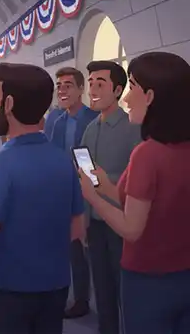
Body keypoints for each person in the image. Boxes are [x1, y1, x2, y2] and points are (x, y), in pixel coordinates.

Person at [0, 63, 86, 334]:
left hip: (6, 289)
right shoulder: (63, 162)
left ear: (8, 103)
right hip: (55, 286)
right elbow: (77, 229)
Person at [78, 52, 190, 333]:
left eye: (132, 88)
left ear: (150, 96)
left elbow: (132, 228)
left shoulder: (146, 153)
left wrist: (91, 197)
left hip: (148, 273)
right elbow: (148, 202)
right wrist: (105, 187)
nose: (127, 99)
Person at [75, 61, 142, 333]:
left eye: (99, 83)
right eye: (91, 82)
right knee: (101, 290)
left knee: (126, 292)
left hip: (122, 223)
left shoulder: (133, 128)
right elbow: (86, 176)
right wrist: (84, 218)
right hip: (96, 222)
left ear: (117, 90)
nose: (93, 88)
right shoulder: (90, 129)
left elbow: (139, 184)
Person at [42, 66, 100, 319]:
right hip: (59, 190)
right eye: (59, 86)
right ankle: (69, 295)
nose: (62, 90)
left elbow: (93, 162)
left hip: (86, 191)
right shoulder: (55, 119)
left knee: (85, 247)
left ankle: (86, 298)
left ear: (80, 90)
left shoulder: (93, 118)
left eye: (68, 85)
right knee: (64, 246)